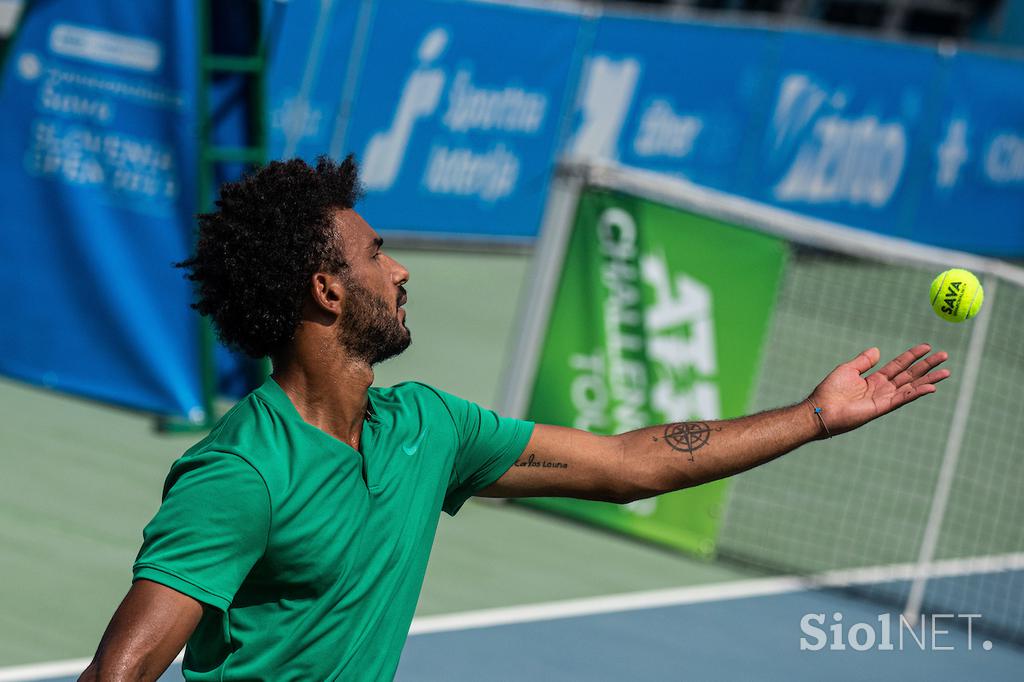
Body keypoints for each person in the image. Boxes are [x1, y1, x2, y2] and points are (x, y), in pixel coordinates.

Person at [80, 156, 950, 681]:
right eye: (378, 253)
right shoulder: (241, 475)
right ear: (327, 289)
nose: (402, 271)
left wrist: (814, 416)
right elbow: (123, 670)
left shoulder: (428, 429)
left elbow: (628, 465)